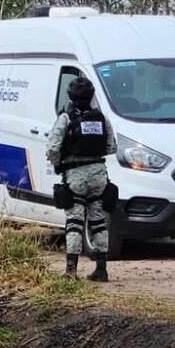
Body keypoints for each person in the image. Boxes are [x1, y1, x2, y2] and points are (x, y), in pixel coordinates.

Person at [47, 77, 117, 281]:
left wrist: (59, 163)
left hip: (75, 173)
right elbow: (111, 147)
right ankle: (101, 269)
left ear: (70, 96)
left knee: (74, 221)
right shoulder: (101, 118)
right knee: (99, 221)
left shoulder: (66, 118)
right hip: (99, 173)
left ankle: (71, 271)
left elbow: (52, 148)